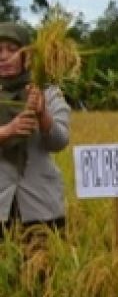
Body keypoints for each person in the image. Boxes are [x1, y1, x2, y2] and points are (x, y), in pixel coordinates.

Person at [0, 21, 71, 238]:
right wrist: (7, 131)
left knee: (43, 269)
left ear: (27, 56)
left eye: (13, 50)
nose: (4, 56)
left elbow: (59, 142)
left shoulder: (48, 93)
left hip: (41, 205)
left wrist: (43, 115)